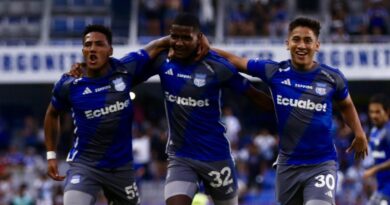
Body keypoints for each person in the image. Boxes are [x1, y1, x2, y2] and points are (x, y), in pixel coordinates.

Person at [212, 17, 368, 205]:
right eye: (296, 39)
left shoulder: (332, 77)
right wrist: (202, 47)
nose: (301, 45)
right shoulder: (274, 71)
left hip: (321, 163)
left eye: (307, 40)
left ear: (317, 45)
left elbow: (347, 105)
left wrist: (359, 133)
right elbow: (233, 59)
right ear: (288, 43)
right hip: (288, 165)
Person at [148, 13, 273, 205]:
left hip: (216, 157)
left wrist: (289, 111)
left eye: (186, 38)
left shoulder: (217, 66)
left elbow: (254, 94)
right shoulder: (162, 60)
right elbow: (127, 69)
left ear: (199, 38)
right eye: (175, 37)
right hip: (181, 156)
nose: (179, 43)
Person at [44, 24, 169, 205]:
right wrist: (51, 155)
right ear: (83, 50)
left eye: (99, 44)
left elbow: (157, 46)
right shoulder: (69, 84)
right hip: (85, 165)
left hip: (121, 169)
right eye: (88, 45)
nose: (93, 48)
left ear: (110, 50)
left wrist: (191, 38)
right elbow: (51, 114)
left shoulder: (125, 69)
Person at [363, 93, 390, 205]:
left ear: (387, 112)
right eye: (371, 112)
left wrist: (374, 169)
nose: (374, 115)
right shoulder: (374, 131)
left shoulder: (388, 131)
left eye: (378, 112)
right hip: (381, 186)